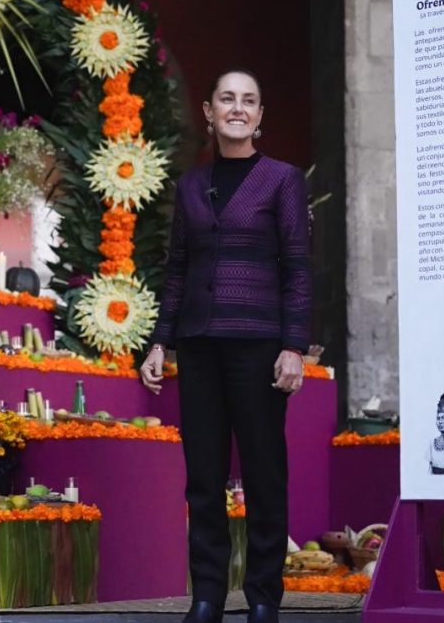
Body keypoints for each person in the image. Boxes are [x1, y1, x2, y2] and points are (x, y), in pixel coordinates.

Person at [140, 69, 311, 623]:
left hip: (259, 347)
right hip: (200, 347)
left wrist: (294, 346)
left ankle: (263, 597)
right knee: (203, 480)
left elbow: (298, 268)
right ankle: (208, 596)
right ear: (210, 113)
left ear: (260, 117)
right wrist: (159, 343)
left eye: (249, 101)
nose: (238, 108)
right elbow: (177, 271)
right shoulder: (191, 186)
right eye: (227, 99)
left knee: (264, 474)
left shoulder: (282, 179)